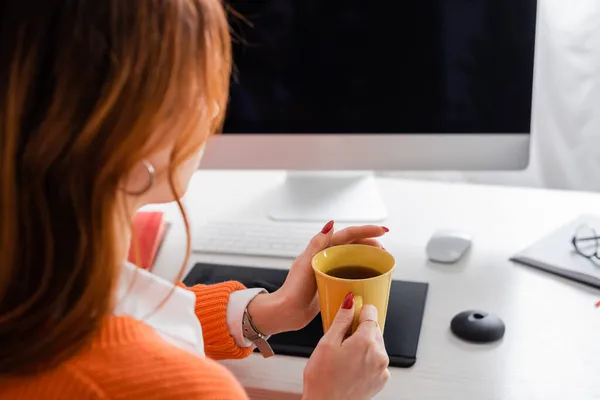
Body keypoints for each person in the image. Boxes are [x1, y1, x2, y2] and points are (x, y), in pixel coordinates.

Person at [0, 1, 391, 399]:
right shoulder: (186, 390)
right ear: (129, 133)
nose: (214, 111)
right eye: (201, 85)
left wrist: (263, 313)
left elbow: (122, 316)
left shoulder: (28, 276)